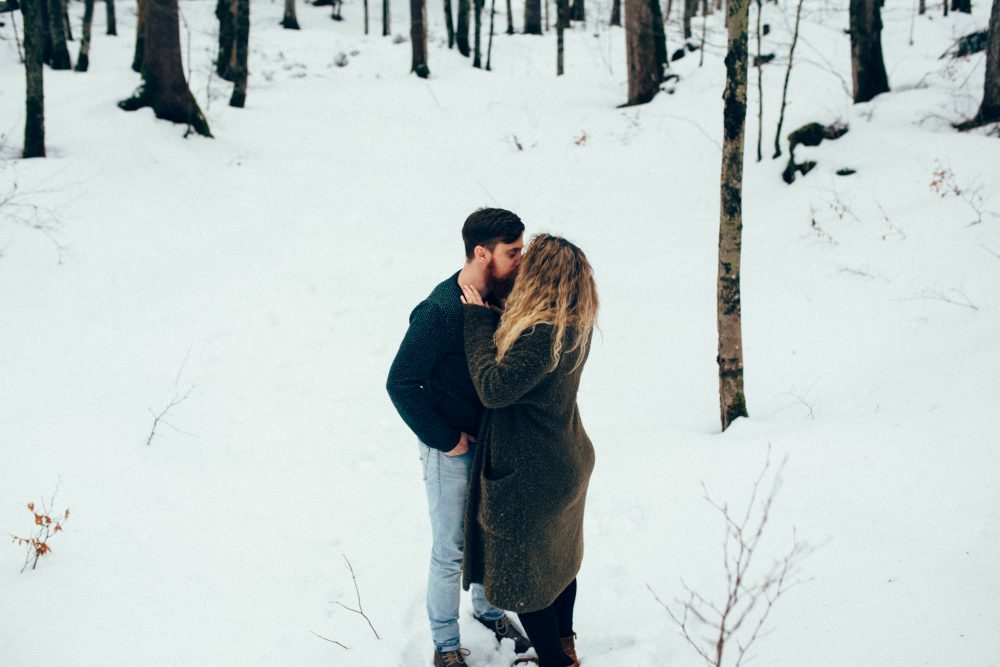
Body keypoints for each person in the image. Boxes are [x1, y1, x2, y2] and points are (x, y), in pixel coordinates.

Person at [387, 208, 533, 667]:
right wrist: (446, 439)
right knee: (451, 549)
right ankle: (446, 645)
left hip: (492, 443)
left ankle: (488, 609)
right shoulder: (441, 310)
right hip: (449, 448)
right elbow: (401, 382)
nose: (521, 261)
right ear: (481, 253)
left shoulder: (499, 298)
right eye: (513, 253)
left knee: (488, 535)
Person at [459, 233, 599, 667]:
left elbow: (495, 388)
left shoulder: (542, 334)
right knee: (558, 563)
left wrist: (478, 323)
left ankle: (556, 662)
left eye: (527, 262)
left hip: (532, 474)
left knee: (526, 581)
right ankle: (565, 644)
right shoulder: (573, 321)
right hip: (564, 460)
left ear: (541, 277)